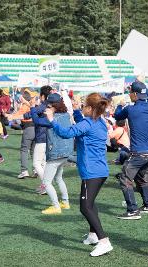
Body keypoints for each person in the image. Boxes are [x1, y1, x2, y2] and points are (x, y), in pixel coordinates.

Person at [45, 92, 113, 257]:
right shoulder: (99, 122)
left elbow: (66, 133)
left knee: (85, 207)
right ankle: (93, 235)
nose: (82, 108)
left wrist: (51, 119)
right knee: (91, 204)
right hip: (100, 170)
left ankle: (104, 241)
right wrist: (75, 110)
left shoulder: (88, 124)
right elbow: (83, 122)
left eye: (83, 106)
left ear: (90, 108)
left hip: (92, 172)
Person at [114, 80, 148, 220]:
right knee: (140, 178)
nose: (129, 94)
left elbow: (117, 116)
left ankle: (132, 210)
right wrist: (142, 85)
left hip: (139, 152)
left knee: (125, 178)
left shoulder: (130, 109)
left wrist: (119, 105)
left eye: (130, 92)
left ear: (135, 94)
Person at [31, 93, 73, 215]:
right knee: (59, 178)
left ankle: (56, 206)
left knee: (46, 182)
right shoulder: (66, 115)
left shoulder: (52, 117)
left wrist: (33, 108)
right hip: (66, 152)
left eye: (48, 105)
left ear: (52, 105)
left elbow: (37, 121)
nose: (46, 106)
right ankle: (65, 202)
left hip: (56, 153)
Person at [23, 85, 52, 192]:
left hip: (41, 137)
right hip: (49, 138)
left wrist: (30, 106)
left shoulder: (43, 105)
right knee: (43, 162)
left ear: (43, 96)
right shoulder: (50, 105)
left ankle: (46, 185)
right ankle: (45, 186)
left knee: (36, 163)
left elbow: (31, 113)